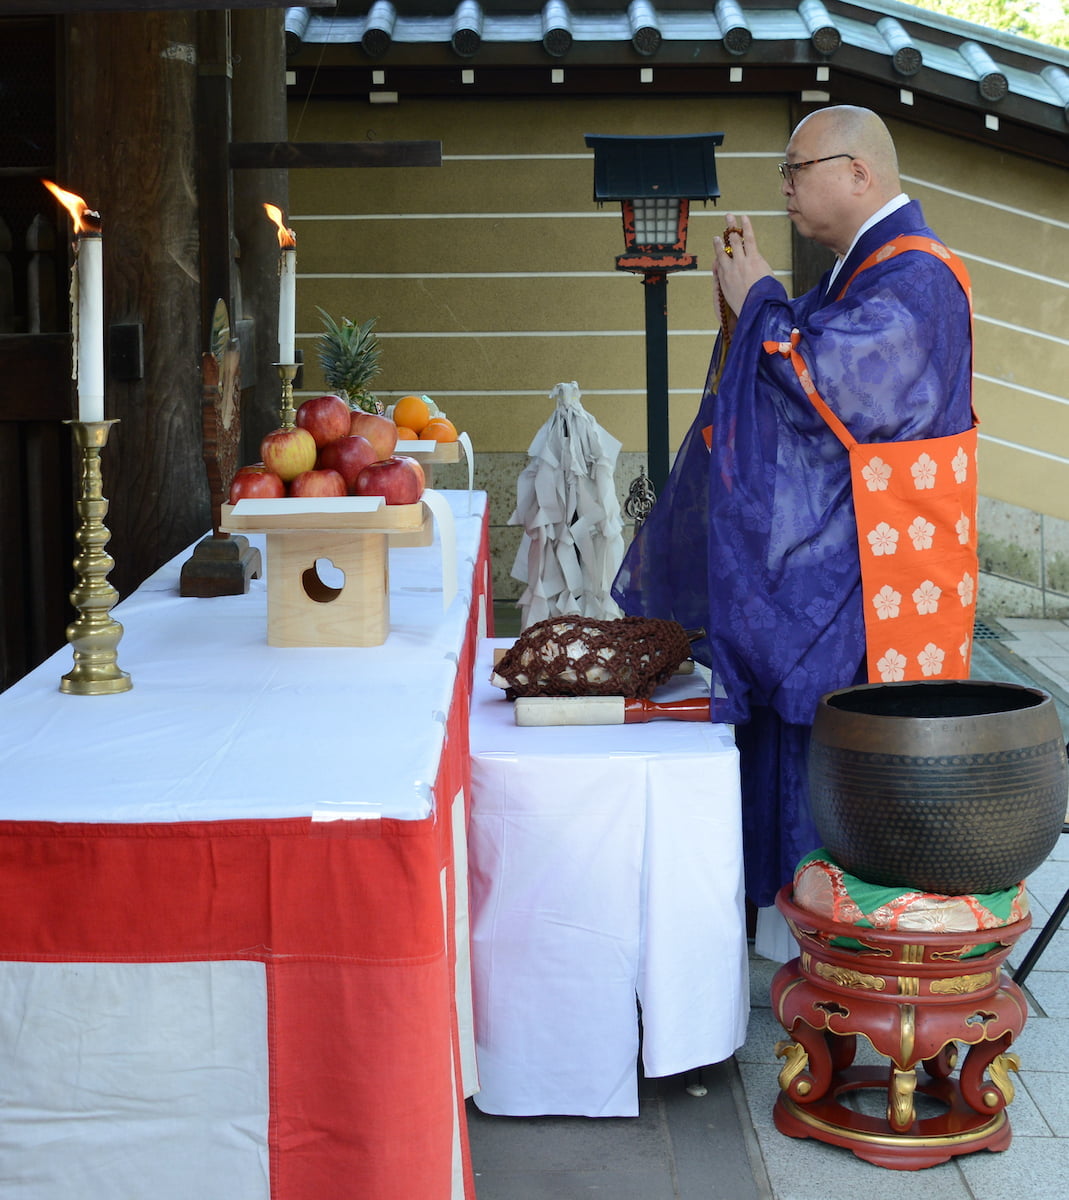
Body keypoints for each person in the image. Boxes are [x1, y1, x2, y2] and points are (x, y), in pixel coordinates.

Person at [611, 106, 977, 911]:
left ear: (858, 173)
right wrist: (754, 310)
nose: (782, 187)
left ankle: (843, 928)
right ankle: (796, 920)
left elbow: (833, 386)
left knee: (837, 741)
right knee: (792, 722)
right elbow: (791, 363)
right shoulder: (859, 270)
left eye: (794, 168)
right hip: (840, 564)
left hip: (885, 573)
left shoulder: (918, 277)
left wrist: (766, 303)